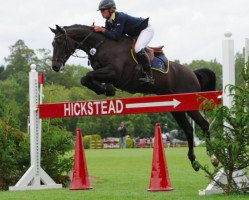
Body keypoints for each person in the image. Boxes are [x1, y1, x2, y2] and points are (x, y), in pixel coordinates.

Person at [93, 0, 155, 84]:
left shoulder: (120, 17)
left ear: (111, 10)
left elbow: (116, 36)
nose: (101, 13)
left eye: (103, 10)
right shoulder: (108, 21)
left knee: (138, 48)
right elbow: (108, 33)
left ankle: (150, 76)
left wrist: (102, 30)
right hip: (136, 33)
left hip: (146, 29)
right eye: (101, 11)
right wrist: (95, 30)